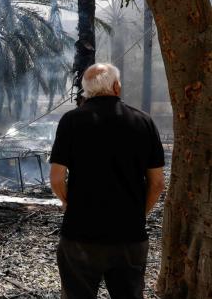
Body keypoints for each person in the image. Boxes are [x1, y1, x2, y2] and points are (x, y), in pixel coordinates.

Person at [49, 63, 165, 299]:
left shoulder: (70, 121)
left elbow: (57, 178)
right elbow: (157, 183)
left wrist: (72, 206)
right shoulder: (144, 122)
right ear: (116, 86)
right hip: (129, 236)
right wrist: (138, 214)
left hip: (80, 235)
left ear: (86, 91)